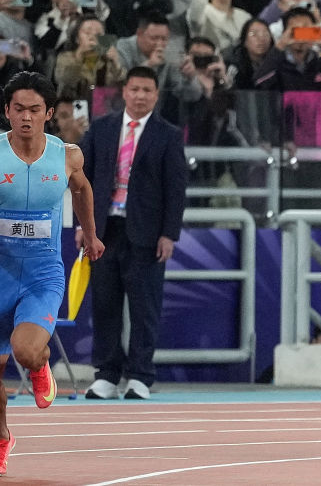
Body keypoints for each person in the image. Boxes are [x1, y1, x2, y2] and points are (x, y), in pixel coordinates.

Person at [0, 71, 104, 477]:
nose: (26, 117)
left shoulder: (67, 156)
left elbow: (82, 190)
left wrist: (90, 234)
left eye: (35, 110)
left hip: (44, 274)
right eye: (18, 109)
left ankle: (39, 363)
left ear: (49, 113)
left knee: (25, 349)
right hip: (0, 276)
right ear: (7, 111)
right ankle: (1, 440)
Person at [79, 66, 188, 400]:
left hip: (147, 233)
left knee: (144, 307)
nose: (140, 96)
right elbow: (82, 179)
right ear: (124, 91)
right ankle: (106, 374)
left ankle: (140, 375)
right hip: (104, 230)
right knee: (104, 304)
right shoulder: (101, 129)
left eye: (147, 90)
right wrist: (84, 225)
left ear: (156, 95)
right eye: (135, 89)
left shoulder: (168, 135)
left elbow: (176, 189)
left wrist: (169, 234)